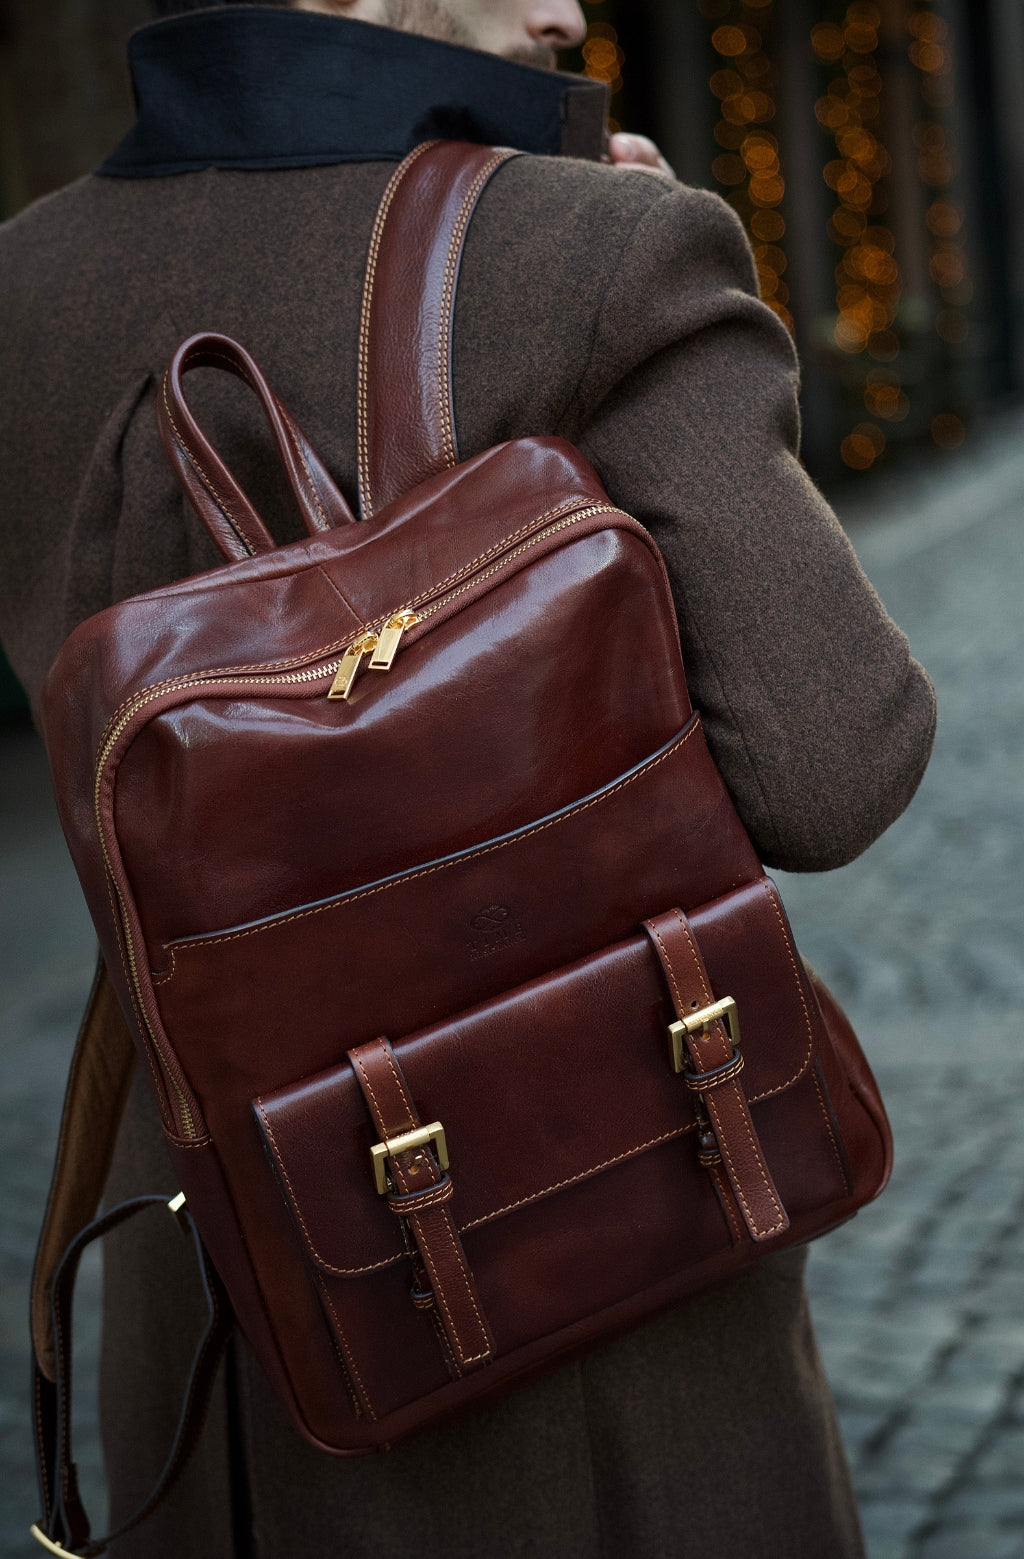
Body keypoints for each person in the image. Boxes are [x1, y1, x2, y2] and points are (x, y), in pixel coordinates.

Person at [0, 1, 936, 1554]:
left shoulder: (24, 280)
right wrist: (712, 330)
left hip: (208, 1299)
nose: (567, 9)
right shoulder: (592, 248)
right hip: (570, 1273)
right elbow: (839, 758)